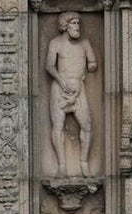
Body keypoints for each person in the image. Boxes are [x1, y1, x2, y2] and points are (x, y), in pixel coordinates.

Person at [45, 11, 98, 177]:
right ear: (65, 26)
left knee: (86, 124)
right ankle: (61, 165)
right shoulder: (55, 43)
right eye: (73, 23)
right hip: (60, 87)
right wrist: (61, 81)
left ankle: (84, 163)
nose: (77, 27)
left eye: (78, 23)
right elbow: (49, 66)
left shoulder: (84, 44)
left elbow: (92, 63)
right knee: (58, 125)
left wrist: (91, 64)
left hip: (79, 88)